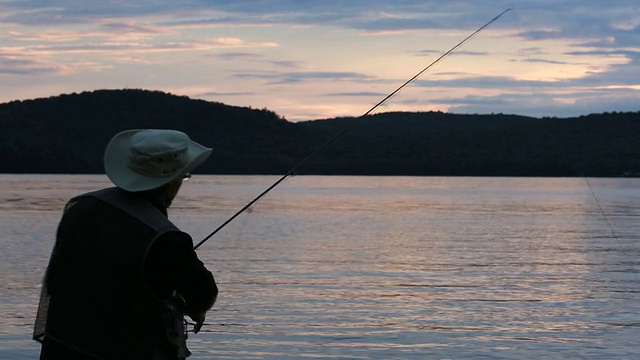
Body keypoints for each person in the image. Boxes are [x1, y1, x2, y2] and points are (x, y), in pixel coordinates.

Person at [33, 129, 219, 359]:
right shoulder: (166, 239)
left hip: (61, 349)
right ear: (173, 181)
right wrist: (194, 308)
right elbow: (204, 293)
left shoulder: (79, 208)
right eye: (184, 176)